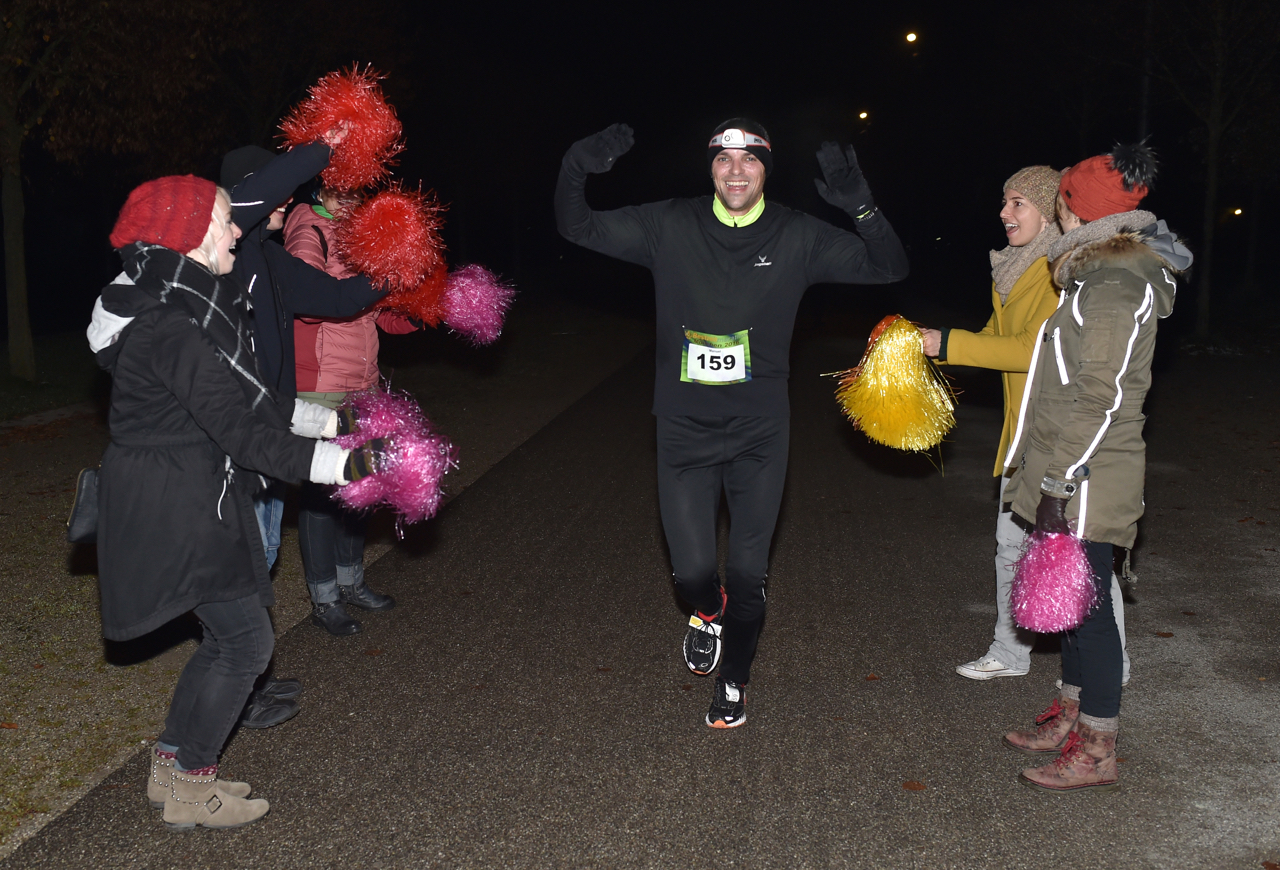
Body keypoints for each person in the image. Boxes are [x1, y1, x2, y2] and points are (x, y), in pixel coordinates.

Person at [555, 120, 909, 728]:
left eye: (750, 160)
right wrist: (575, 165)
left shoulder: (796, 234)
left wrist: (863, 207)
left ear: (766, 169)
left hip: (759, 433)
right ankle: (705, 610)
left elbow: (889, 269)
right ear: (710, 168)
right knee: (693, 571)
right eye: (724, 160)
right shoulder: (669, 224)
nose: (736, 171)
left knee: (749, 572)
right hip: (683, 430)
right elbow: (577, 225)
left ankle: (735, 680)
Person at [89, 175, 384, 827]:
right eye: (223, 222)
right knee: (246, 642)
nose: (235, 233)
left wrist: (331, 424)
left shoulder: (183, 309)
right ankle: (193, 783)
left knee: (229, 638)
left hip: (184, 499)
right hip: (175, 511)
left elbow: (252, 399)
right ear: (188, 237)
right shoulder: (169, 326)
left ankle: (172, 768)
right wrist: (348, 464)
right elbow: (247, 434)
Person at [999, 144, 1191, 792]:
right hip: (1074, 467)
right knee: (1071, 601)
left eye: (1062, 207)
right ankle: (1074, 715)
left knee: (1090, 615)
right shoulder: (1093, 276)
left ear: (1080, 212)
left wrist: (1058, 482)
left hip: (1089, 474)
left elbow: (1101, 398)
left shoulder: (1113, 285)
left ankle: (1098, 747)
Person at [919, 167, 1131, 685]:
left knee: (1080, 554)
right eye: (1004, 201)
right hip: (1023, 434)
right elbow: (994, 336)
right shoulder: (1014, 268)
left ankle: (1110, 662)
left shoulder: (1059, 271)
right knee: (1011, 545)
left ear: (1047, 210)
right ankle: (1010, 651)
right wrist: (928, 349)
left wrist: (946, 342)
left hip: (1060, 435)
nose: (1004, 213)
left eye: (1018, 203)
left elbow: (1029, 350)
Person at [218, 136, 388, 724]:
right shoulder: (224, 261)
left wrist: (397, 272)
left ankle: (250, 681)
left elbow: (338, 297)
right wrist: (328, 146)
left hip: (272, 420)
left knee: (262, 553)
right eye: (274, 188)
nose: (285, 199)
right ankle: (236, 692)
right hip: (233, 434)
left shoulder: (267, 255)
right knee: (244, 560)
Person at [284, 185, 416, 635]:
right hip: (321, 383)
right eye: (346, 193)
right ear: (326, 187)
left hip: (364, 379)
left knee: (360, 481)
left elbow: (380, 315)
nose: (355, 202)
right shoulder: (308, 227)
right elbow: (304, 302)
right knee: (322, 492)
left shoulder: (358, 233)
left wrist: (423, 306)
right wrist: (371, 281)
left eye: (362, 194)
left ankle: (352, 582)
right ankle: (324, 598)